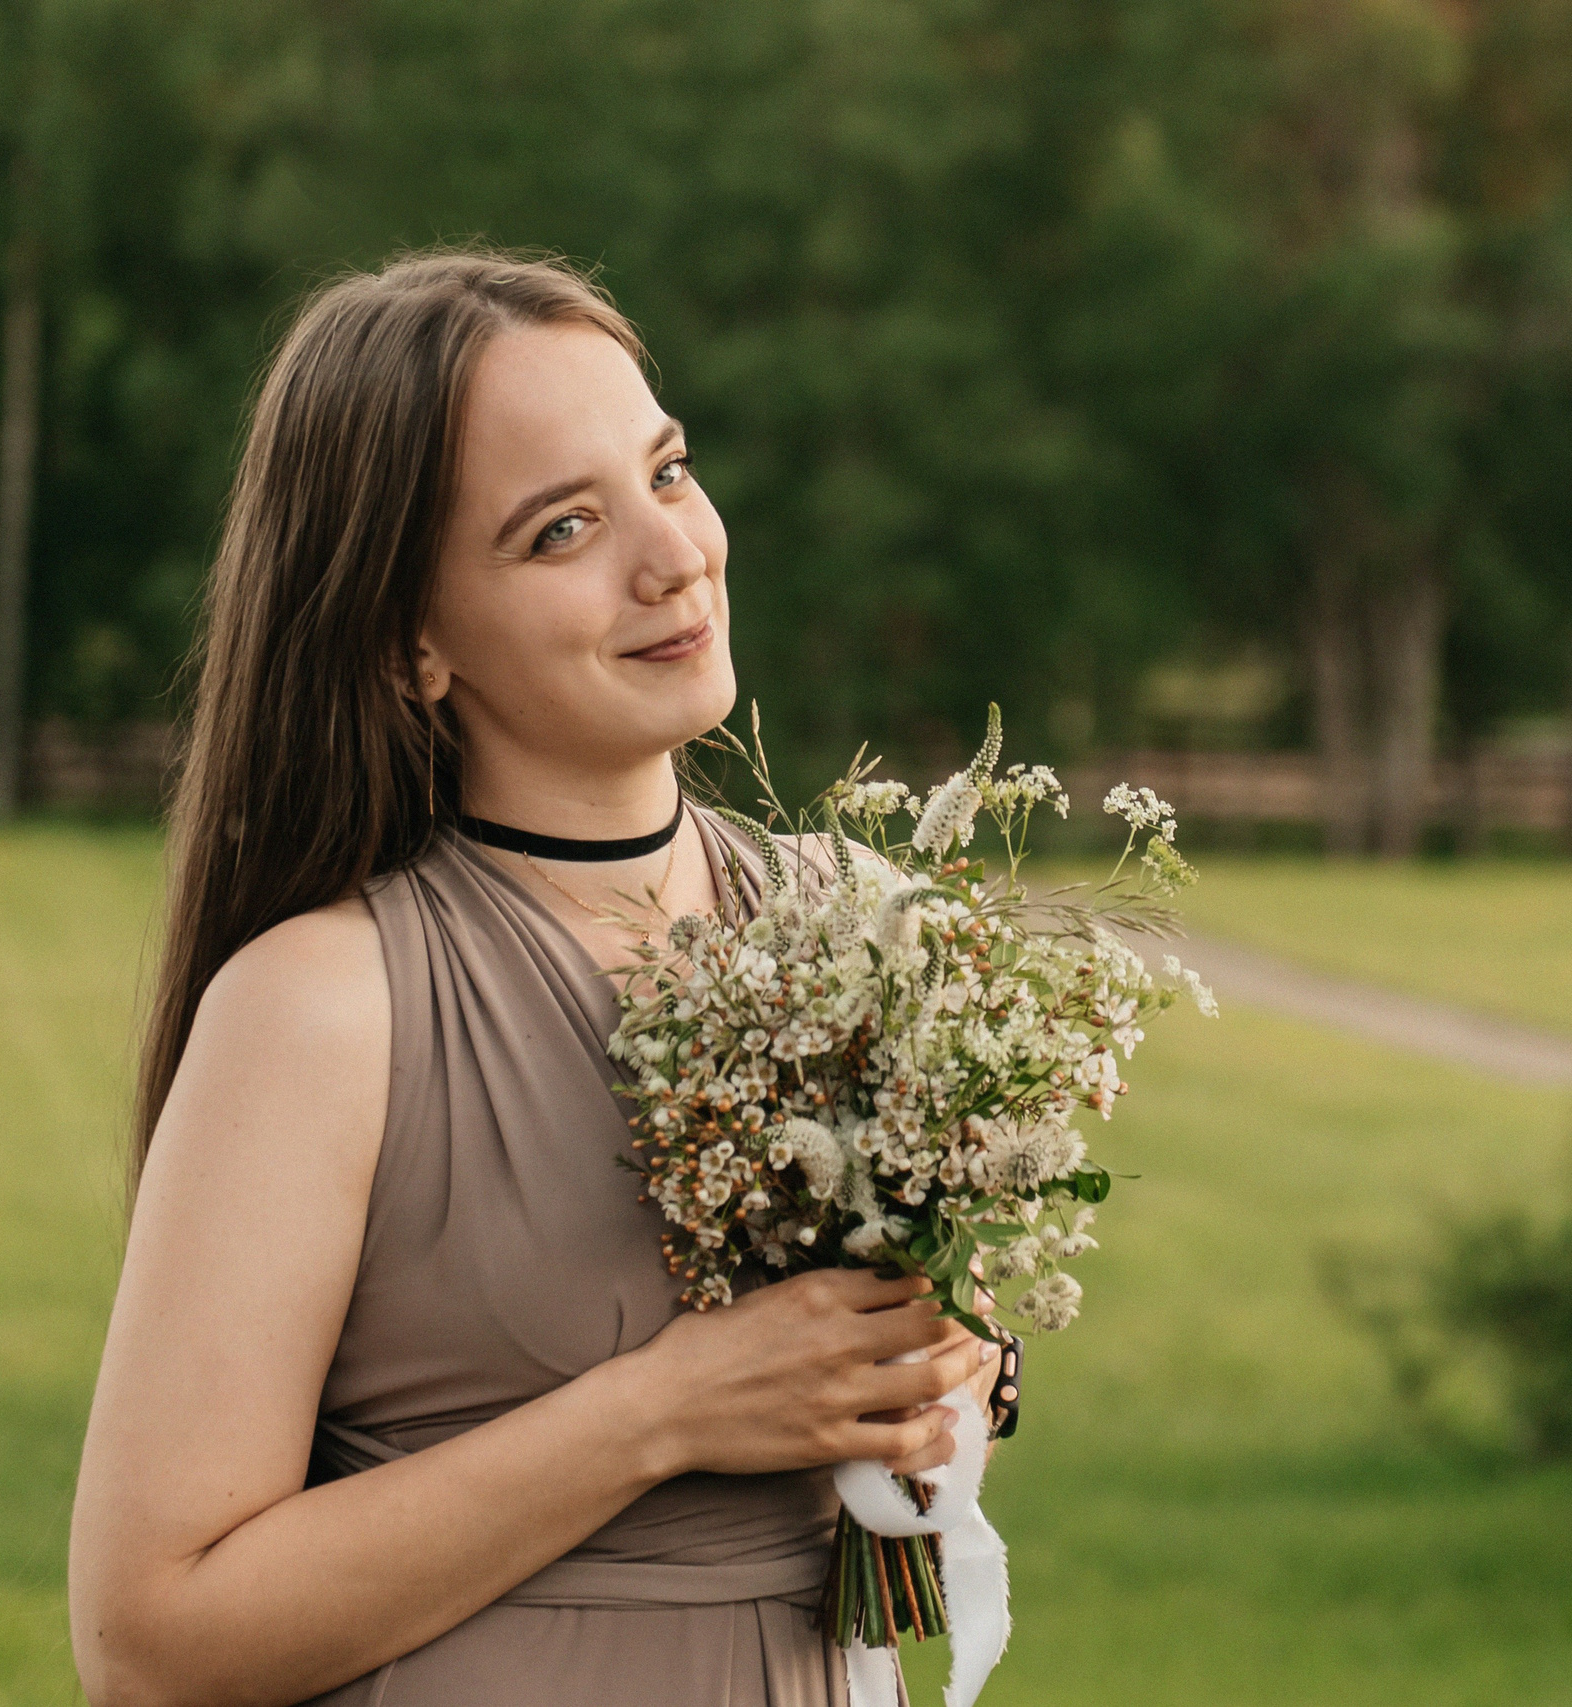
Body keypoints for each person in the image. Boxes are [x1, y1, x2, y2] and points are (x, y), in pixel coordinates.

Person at [67, 249, 998, 1707]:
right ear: (411, 642)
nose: (672, 556)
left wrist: (952, 1376)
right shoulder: (324, 1007)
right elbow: (148, 1642)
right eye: (563, 529)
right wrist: (663, 1412)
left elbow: (911, 1413)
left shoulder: (859, 924)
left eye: (667, 472)